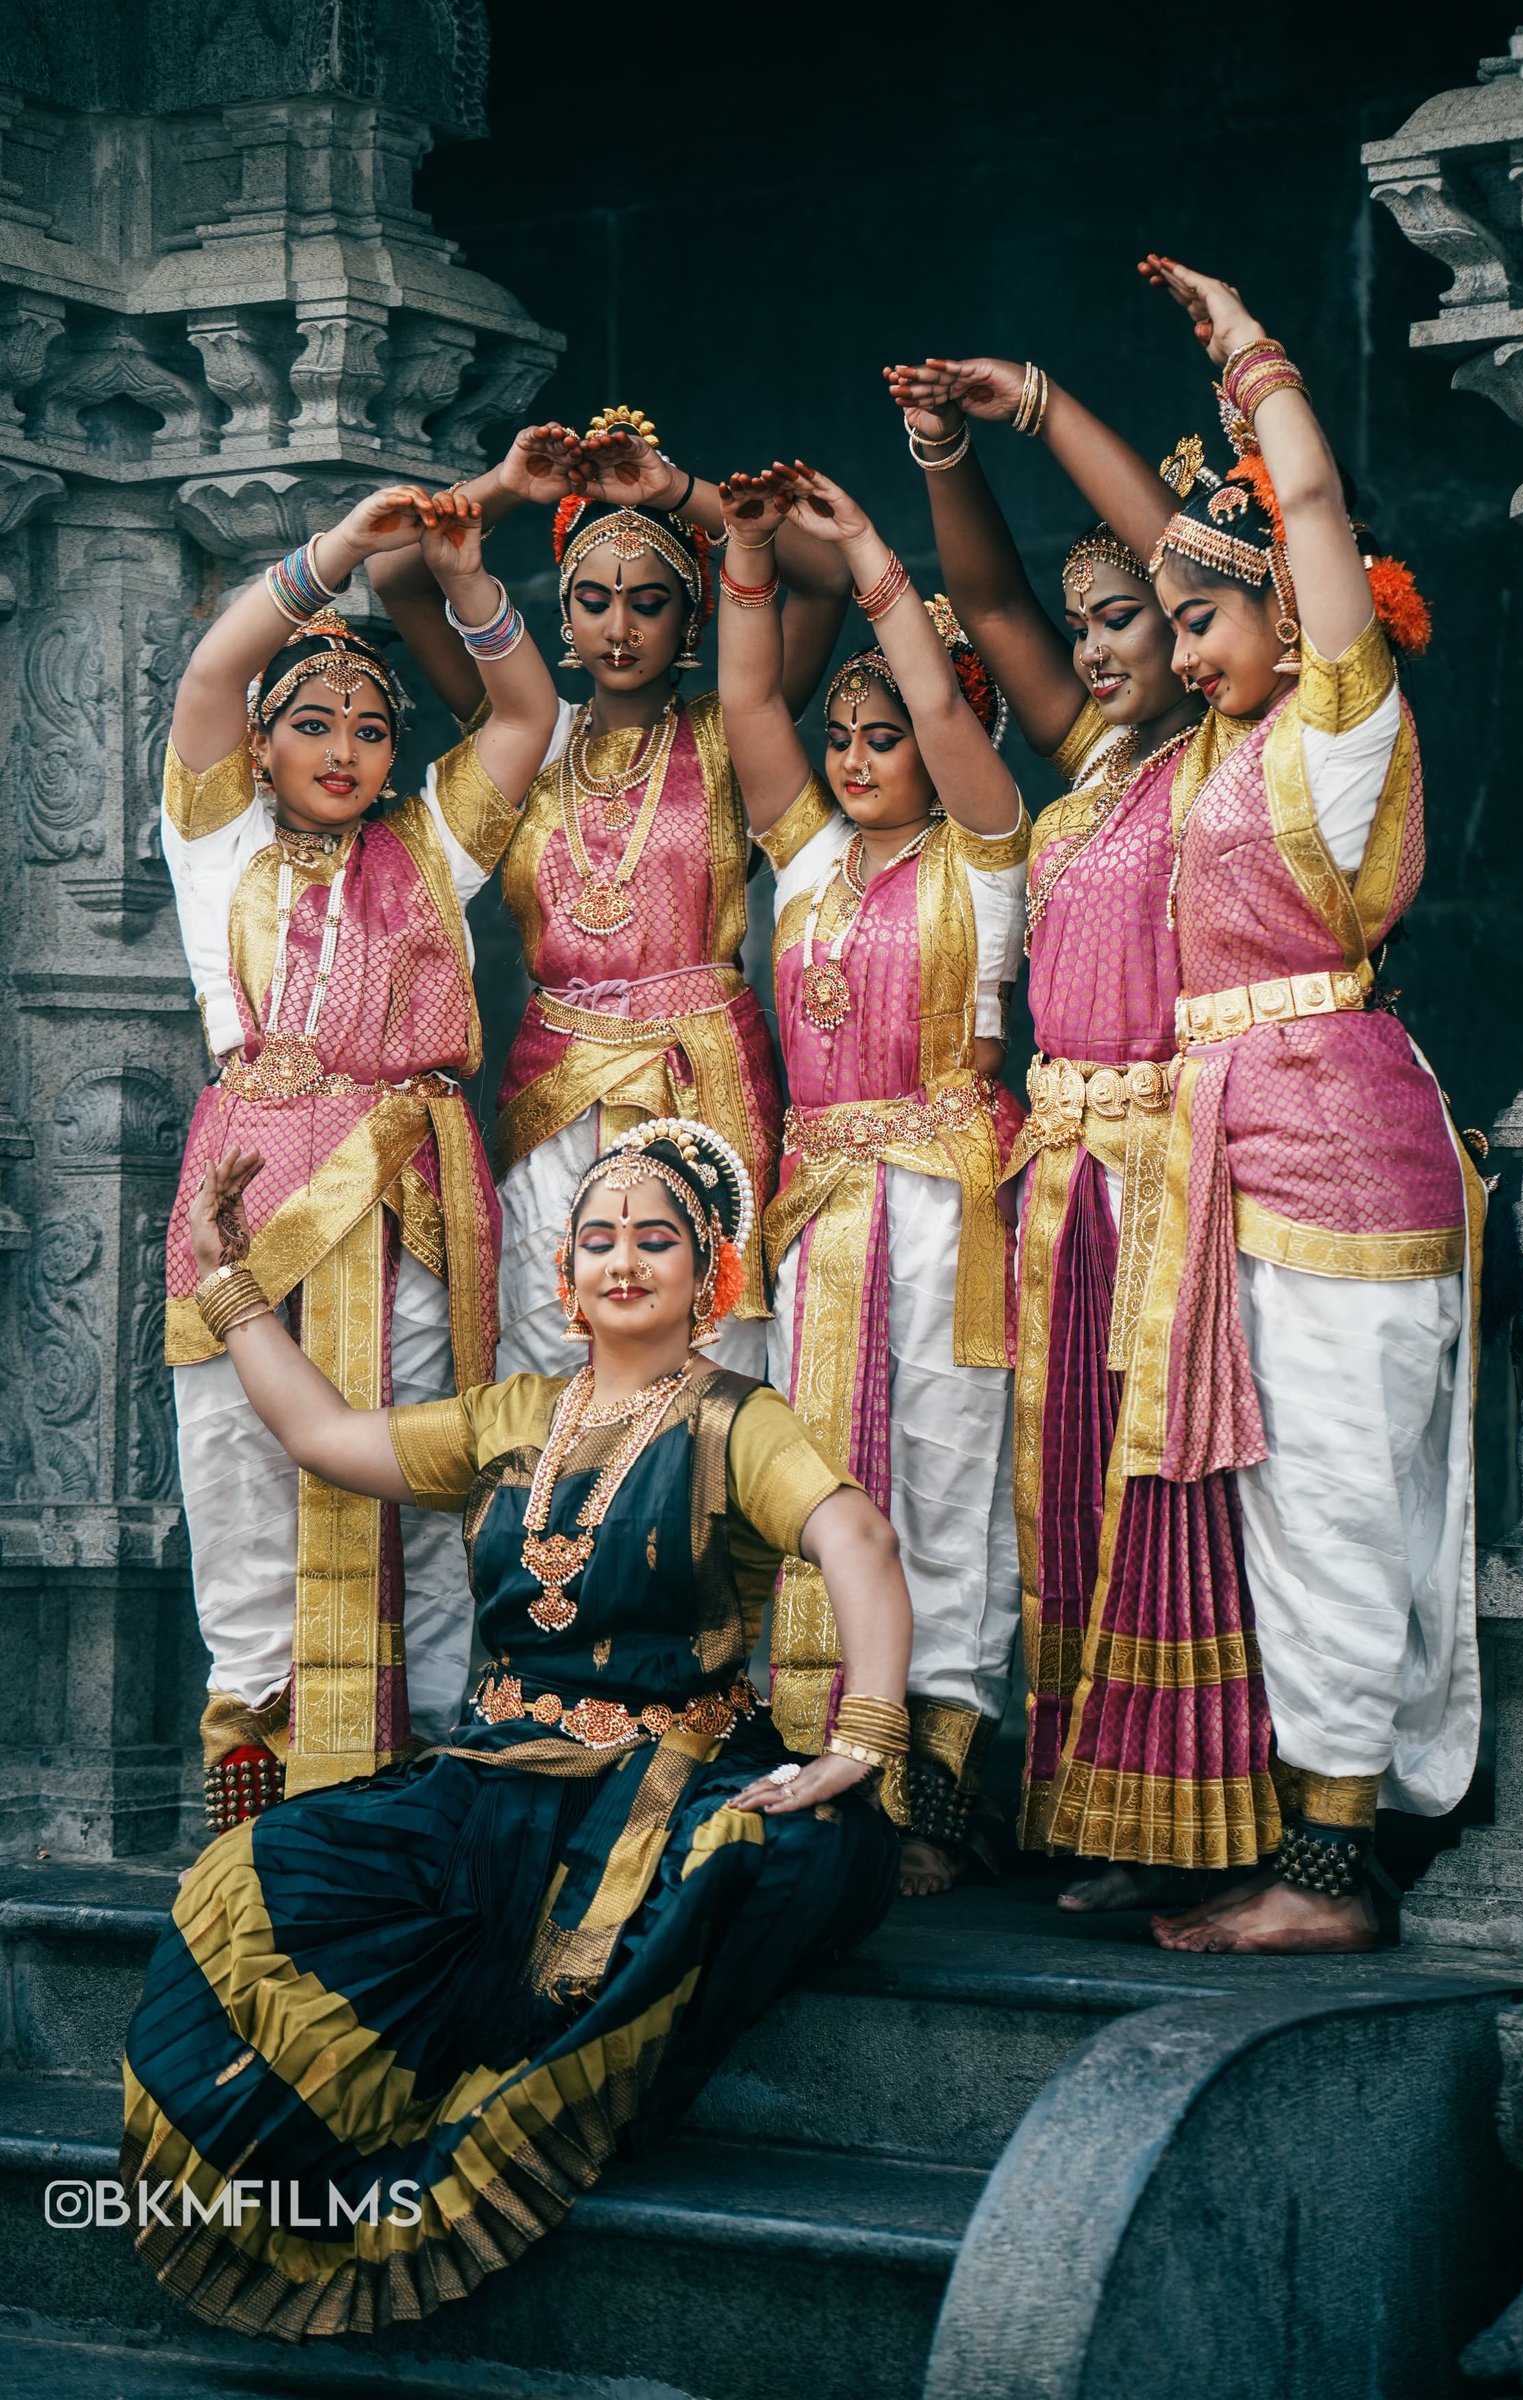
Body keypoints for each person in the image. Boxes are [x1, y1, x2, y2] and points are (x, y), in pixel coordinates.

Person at [122, 1120, 907, 2338]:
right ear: (565, 1273)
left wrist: (861, 1737)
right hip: (494, 1777)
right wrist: (229, 1285)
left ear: (710, 1278)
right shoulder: (509, 1417)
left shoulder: (739, 1421)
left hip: (660, 1767)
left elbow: (854, 1537)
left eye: (658, 1240)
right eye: (599, 1240)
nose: (624, 1261)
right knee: (252, 1875)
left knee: (778, 1850)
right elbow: (327, 1439)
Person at [1103, 257, 1480, 1954]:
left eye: (1203, 619)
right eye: (1170, 625)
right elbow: (1180, 545)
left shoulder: (1340, 723)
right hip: (1236, 1153)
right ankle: (1279, 1829)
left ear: (1297, 611)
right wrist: (1047, 416)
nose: (1182, 657)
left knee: (1334, 1498)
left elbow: (1305, 499)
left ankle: (1329, 1879)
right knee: (1274, 1505)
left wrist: (1255, 364)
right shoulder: (1205, 757)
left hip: (1335, 1147)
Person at [885, 358, 1279, 1909]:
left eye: (1141, 618)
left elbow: (1190, 556)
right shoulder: (1098, 764)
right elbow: (985, 608)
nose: (1108, 647)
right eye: (1097, 622)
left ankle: (1197, 1819)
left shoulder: (1241, 756)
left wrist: (1044, 404)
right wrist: (938, 458)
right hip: (1063, 1171)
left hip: (1184, 1156)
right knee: (1063, 1486)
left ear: (1208, 630)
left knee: (1168, 1486)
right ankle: (1085, 1810)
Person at [161, 485, 559, 1826]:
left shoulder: (428, 852)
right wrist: (338, 554)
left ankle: (412, 1800)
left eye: (373, 728)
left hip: (408, 1215)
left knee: (421, 1493)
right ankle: (256, 1817)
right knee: (243, 1488)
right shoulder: (216, 843)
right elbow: (217, 663)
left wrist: (463, 577)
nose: (344, 746)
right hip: (252, 1208)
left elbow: (522, 719)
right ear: (259, 749)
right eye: (314, 724)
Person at [370, 410, 850, 1378]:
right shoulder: (520, 728)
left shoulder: (733, 731)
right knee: (547, 1340)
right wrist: (506, 488)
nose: (618, 627)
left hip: (702, 1074)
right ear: (564, 611)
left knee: (710, 1355)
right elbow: (397, 575)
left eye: (647, 602)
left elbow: (825, 575)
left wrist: (676, 493)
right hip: (553, 1079)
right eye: (593, 599)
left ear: (691, 616)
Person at [713, 459, 1027, 1897]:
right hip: (823, 1215)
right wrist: (747, 558)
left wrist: (880, 561)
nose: (854, 752)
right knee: (816, 1479)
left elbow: (952, 709)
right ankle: (824, 1755)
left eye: (884, 733)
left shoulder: (988, 854)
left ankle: (934, 1789)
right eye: (845, 732)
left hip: (952, 1207)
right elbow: (745, 709)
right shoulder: (807, 859)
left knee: (950, 1480)